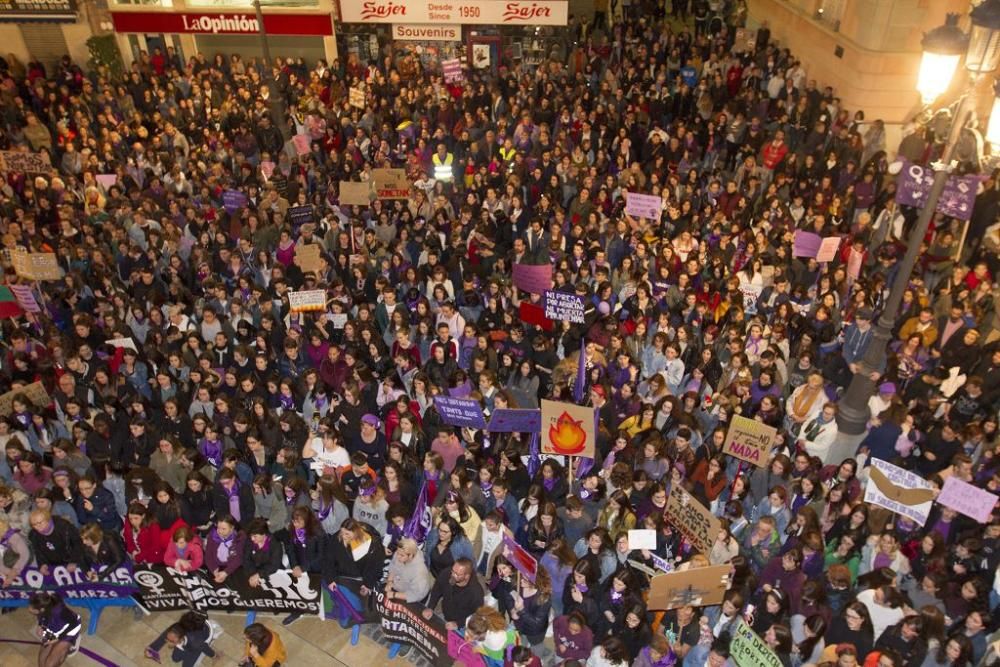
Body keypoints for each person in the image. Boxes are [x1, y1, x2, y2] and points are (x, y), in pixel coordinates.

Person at [423, 557, 484, 630]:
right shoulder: (446, 573)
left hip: (462, 623)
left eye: (457, 574)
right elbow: (436, 590)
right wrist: (430, 607)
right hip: (445, 613)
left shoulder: (476, 592)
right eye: (453, 571)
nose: (453, 575)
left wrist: (458, 623)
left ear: (467, 576)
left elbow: (477, 615)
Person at [146, 611, 222, 667]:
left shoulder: (196, 643)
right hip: (189, 638)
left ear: (181, 638)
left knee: (186, 665)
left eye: (171, 641)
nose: (167, 641)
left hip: (199, 641)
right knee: (175, 659)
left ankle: (212, 636)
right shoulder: (176, 628)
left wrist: (215, 656)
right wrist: (152, 649)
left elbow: (205, 648)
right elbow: (166, 635)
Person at [27, 592, 81, 667]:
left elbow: (73, 623)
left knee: (50, 664)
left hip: (70, 630)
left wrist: (58, 639)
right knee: (42, 663)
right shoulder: (44, 604)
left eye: (32, 608)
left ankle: (71, 643)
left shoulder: (59, 610)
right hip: (53, 626)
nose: (29, 608)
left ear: (42, 609)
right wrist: (40, 625)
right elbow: (41, 615)